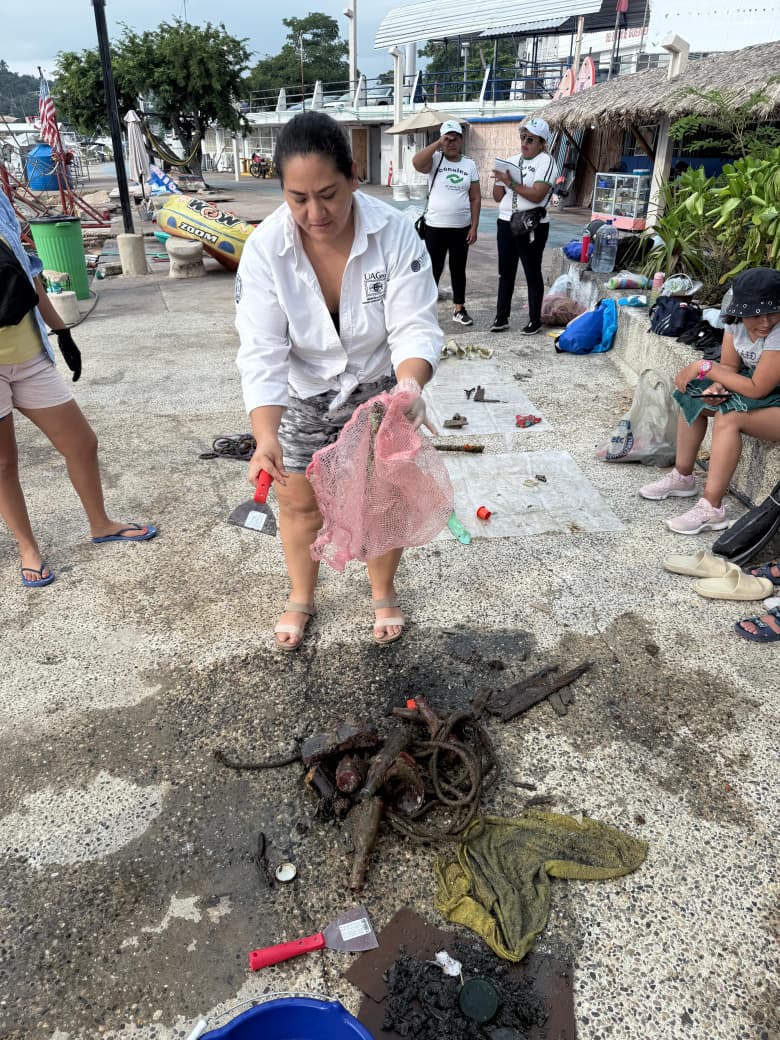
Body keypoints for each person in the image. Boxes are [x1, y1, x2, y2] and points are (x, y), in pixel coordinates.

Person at [235, 111, 442, 650]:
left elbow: (414, 324)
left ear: (353, 176)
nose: (314, 213)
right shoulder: (265, 248)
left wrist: (410, 388)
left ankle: (383, 591)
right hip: (304, 392)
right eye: (297, 198)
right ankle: (301, 596)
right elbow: (262, 349)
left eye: (327, 194)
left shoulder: (394, 233)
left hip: (379, 388)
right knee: (298, 502)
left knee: (383, 499)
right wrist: (265, 435)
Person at [0, 191, 156, 589]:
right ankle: (28, 548)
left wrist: (62, 330)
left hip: (29, 351)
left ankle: (101, 523)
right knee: (3, 463)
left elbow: (27, 269)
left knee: (82, 443)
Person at [639, 267, 780, 534]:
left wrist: (705, 367)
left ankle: (712, 509)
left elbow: (757, 389)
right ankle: (683, 476)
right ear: (740, 311)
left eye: (772, 312)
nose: (765, 321)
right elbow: (728, 366)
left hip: (768, 394)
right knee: (693, 394)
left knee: (730, 417)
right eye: (755, 314)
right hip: (762, 389)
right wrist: (716, 385)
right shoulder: (736, 324)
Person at [490, 117, 557, 335]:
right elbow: (497, 197)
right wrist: (498, 180)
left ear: (542, 143)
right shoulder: (511, 160)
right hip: (506, 221)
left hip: (530, 224)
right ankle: (501, 317)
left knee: (531, 271)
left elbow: (537, 194)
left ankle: (534, 320)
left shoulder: (546, 162)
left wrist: (510, 182)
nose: (524, 143)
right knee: (505, 272)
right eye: (522, 137)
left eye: (530, 139)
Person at [411, 120, 481, 326]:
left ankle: (459, 309)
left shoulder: (469, 164)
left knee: (458, 269)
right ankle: (426, 310)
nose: (451, 143)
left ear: (461, 140)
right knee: (433, 269)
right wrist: (437, 144)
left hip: (461, 228)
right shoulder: (434, 160)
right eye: (447, 139)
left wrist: (474, 226)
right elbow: (416, 163)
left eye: (455, 139)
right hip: (435, 227)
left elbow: (475, 197)